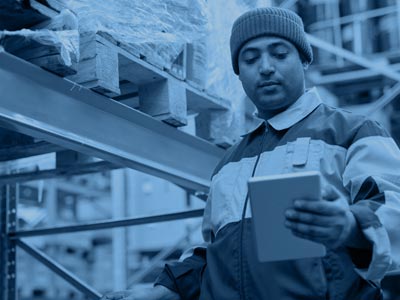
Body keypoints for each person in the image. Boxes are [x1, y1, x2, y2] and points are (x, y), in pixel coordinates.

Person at [102, 7, 400, 300]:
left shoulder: (352, 132)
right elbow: (218, 250)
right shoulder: (230, 162)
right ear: (239, 73)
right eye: (250, 58)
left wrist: (351, 226)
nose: (266, 67)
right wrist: (165, 291)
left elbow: (395, 211)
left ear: (304, 60)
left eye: (280, 54)